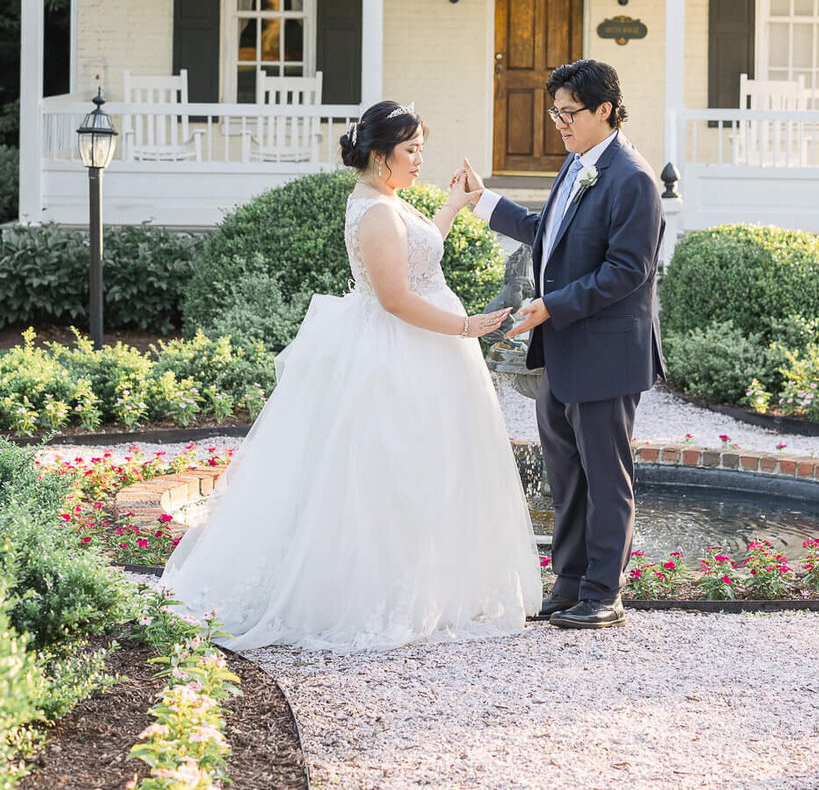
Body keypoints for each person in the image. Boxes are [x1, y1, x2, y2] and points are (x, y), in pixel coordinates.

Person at [161, 101, 542, 651]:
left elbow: (418, 257)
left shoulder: (388, 201)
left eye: (420, 150)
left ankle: (428, 586)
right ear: (380, 155)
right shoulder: (377, 211)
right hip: (401, 353)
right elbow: (394, 298)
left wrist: (456, 206)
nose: (419, 160)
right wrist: (464, 327)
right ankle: (374, 595)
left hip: (424, 349)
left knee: (431, 469)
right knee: (390, 472)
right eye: (410, 151)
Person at [465, 58, 665, 630]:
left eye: (569, 113)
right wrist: (485, 202)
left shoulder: (633, 178)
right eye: (555, 113)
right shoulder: (577, 164)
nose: (560, 123)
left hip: (604, 353)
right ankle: (570, 582)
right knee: (567, 475)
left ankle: (605, 593)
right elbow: (546, 232)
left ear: (606, 110)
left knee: (606, 476)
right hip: (561, 352)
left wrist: (551, 306)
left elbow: (628, 271)